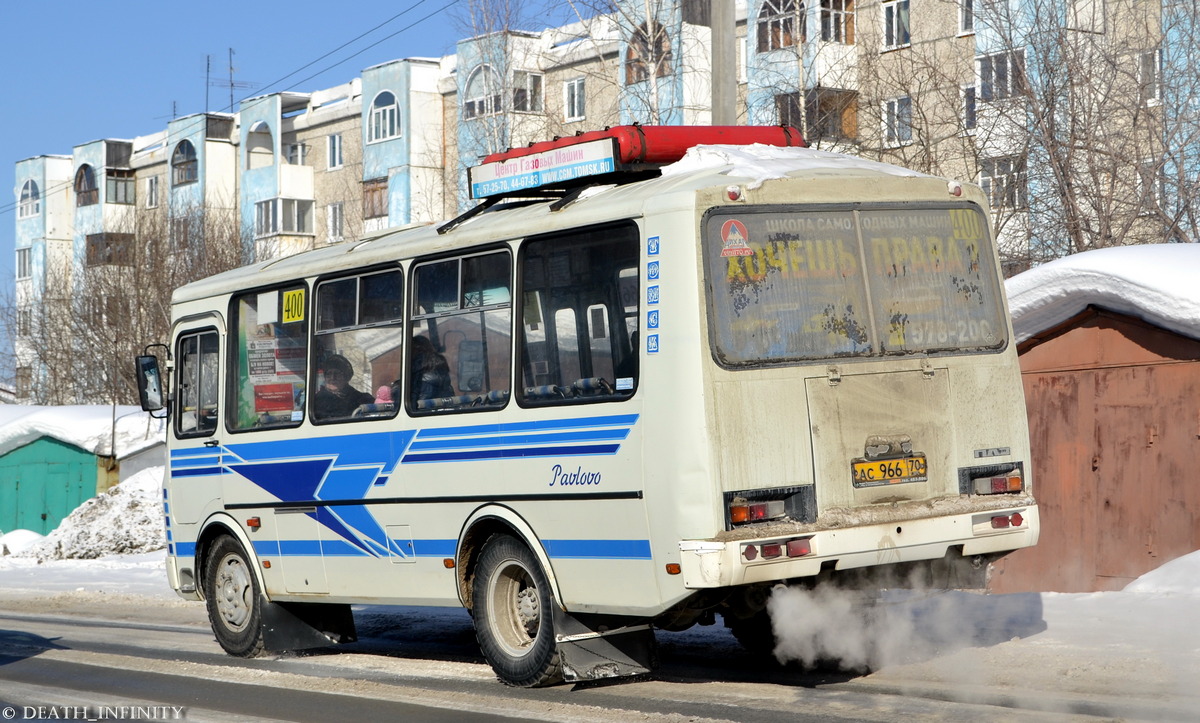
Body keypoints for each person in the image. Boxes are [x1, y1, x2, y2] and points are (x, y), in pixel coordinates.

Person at [314, 354, 373, 419]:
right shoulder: (316, 401)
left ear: (346, 377)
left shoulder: (362, 399)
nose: (332, 377)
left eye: (337, 373)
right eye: (329, 374)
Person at [410, 335, 453, 404]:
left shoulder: (418, 377)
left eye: (411, 350)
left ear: (416, 349)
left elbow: (417, 406)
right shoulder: (440, 367)